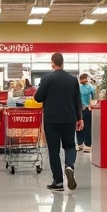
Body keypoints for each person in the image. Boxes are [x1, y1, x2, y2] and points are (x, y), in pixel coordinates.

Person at [34, 53, 83, 191]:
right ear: (63, 63)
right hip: (69, 118)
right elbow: (77, 100)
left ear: (52, 63)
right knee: (69, 145)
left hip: (51, 119)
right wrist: (80, 118)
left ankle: (58, 181)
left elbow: (38, 98)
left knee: (54, 150)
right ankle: (69, 166)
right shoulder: (73, 80)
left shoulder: (47, 79)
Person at [77, 73, 96, 152]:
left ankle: (79, 144)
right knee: (88, 127)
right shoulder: (90, 87)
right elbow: (94, 96)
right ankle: (87, 145)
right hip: (87, 109)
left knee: (78, 126)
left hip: (78, 109)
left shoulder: (78, 88)